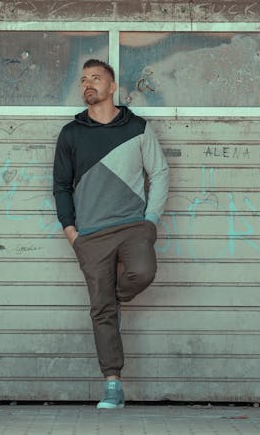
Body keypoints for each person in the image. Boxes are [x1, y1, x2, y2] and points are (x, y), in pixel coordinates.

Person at [53, 59, 169, 409]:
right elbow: (60, 186)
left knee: (143, 272)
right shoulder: (70, 134)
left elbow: (160, 173)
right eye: (84, 79)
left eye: (96, 79)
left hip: (134, 226)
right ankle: (113, 385)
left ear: (113, 87)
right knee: (101, 310)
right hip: (91, 235)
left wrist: (150, 220)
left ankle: (116, 295)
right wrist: (72, 234)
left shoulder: (138, 128)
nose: (88, 84)